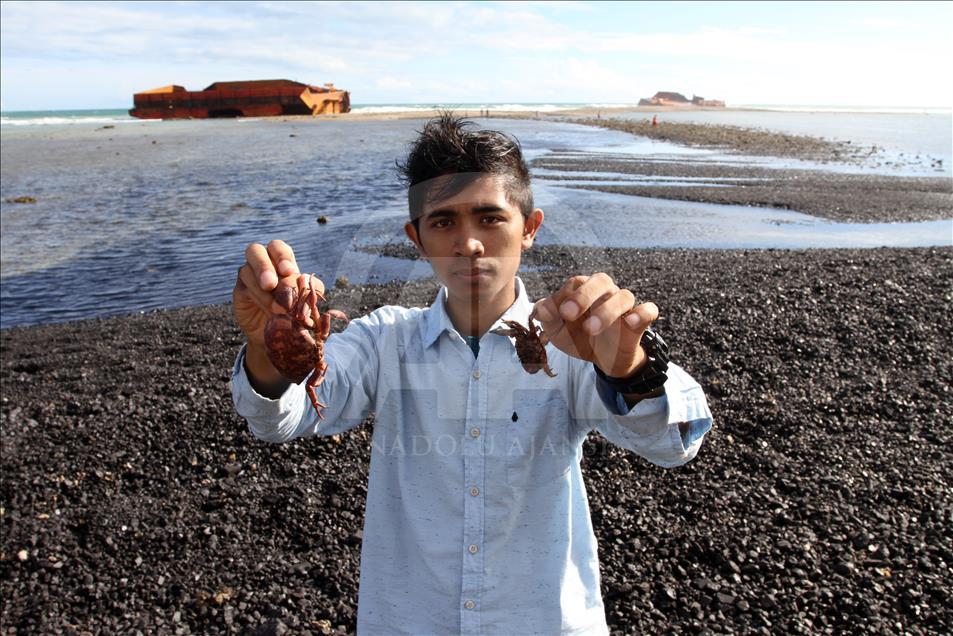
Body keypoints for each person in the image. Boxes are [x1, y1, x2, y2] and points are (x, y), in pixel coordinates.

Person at [231, 113, 712, 635]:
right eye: (444, 222)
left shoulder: (572, 340)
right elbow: (280, 417)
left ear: (529, 228)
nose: (470, 244)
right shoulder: (384, 340)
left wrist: (627, 369)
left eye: (490, 218)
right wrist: (269, 350)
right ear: (417, 238)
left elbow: (675, 442)